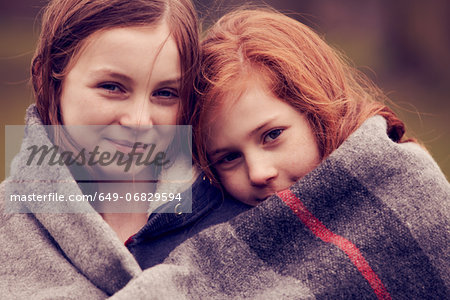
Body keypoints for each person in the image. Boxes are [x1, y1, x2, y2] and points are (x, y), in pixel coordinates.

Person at [110, 8, 449, 299]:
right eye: (228, 158)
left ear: (317, 113)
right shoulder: (214, 232)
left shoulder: (406, 186)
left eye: (272, 135)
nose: (258, 172)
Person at [0, 0, 252, 298]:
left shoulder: (239, 205)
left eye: (166, 93)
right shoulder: (8, 223)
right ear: (50, 80)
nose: (139, 121)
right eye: (112, 87)